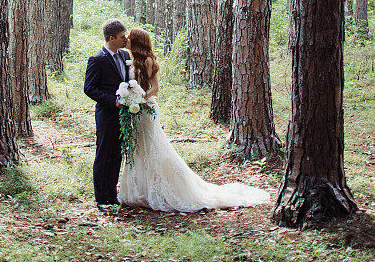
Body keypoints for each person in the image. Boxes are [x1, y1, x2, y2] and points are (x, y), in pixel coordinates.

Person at [118, 27, 271, 212]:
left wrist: (141, 99)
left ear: (137, 41)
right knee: (138, 146)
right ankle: (140, 189)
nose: (125, 39)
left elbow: (155, 88)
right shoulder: (130, 60)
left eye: (129, 37)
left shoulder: (148, 60)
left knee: (153, 146)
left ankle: (164, 189)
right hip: (134, 109)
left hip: (145, 108)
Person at [84, 19, 131, 209]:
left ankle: (112, 194)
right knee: (103, 153)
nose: (125, 39)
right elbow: (89, 89)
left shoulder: (125, 55)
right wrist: (113, 101)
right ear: (111, 38)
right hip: (106, 114)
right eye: (122, 37)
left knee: (117, 154)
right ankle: (101, 197)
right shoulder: (97, 60)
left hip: (123, 115)